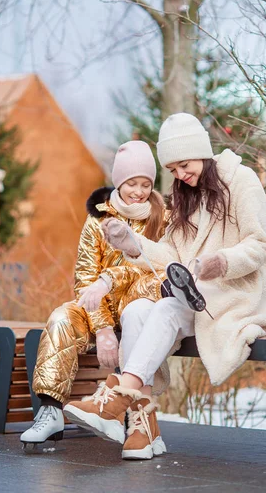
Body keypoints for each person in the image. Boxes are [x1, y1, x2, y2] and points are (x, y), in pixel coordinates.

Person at [63, 112, 266, 460]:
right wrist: (132, 242)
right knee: (135, 311)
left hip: (234, 293)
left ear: (201, 152)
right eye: (173, 169)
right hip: (191, 296)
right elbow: (171, 253)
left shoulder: (242, 181)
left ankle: (119, 396)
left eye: (184, 164)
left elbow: (260, 245)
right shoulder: (184, 195)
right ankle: (143, 430)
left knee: (164, 306)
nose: (179, 174)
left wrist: (221, 262)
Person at [20, 140, 167, 449]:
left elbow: (148, 269)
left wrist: (108, 282)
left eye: (145, 184)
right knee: (62, 317)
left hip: (138, 304)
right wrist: (101, 329)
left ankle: (131, 418)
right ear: (119, 181)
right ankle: (50, 411)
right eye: (131, 183)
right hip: (98, 306)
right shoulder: (99, 218)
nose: (139, 191)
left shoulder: (160, 217)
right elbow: (85, 276)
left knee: (138, 307)